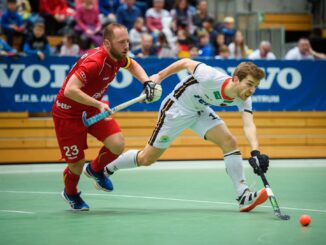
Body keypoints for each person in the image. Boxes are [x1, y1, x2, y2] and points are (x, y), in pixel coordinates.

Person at [105, 58, 270, 212]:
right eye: (249, 84)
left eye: (255, 86)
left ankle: (243, 194)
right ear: (235, 79)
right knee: (146, 159)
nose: (252, 90)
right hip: (177, 108)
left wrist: (256, 152)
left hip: (199, 110)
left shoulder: (244, 97)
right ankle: (107, 168)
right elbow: (185, 62)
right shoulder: (211, 76)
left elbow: (249, 124)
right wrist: (159, 77)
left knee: (229, 142)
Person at [52, 23, 161, 211]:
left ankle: (95, 169)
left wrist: (147, 82)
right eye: (121, 42)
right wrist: (98, 103)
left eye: (127, 41)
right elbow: (70, 90)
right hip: (68, 114)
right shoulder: (95, 63)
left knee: (117, 144)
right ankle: (70, 193)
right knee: (76, 163)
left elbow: (133, 65)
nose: (126, 46)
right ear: (107, 44)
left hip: (92, 109)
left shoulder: (118, 57)